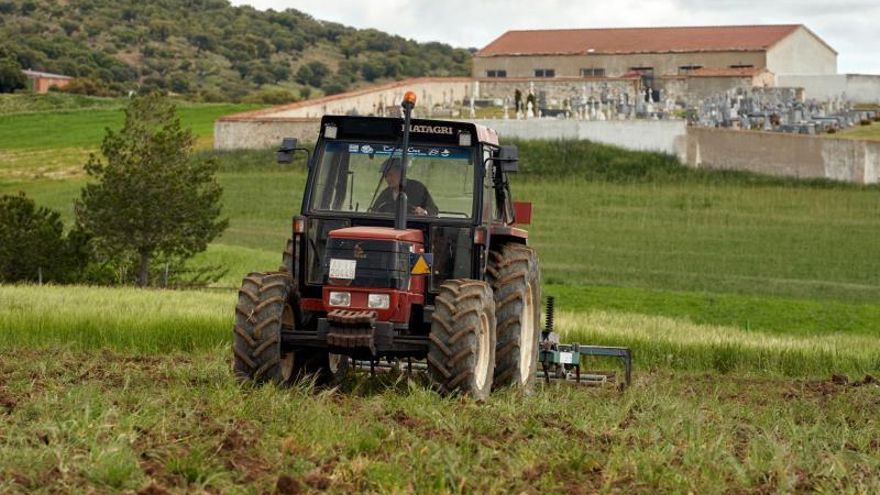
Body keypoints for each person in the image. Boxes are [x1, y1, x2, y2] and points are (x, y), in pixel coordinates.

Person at [370, 157, 438, 216]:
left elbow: (433, 211)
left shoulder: (418, 189)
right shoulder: (385, 194)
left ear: (401, 173)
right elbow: (374, 212)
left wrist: (424, 212)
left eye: (390, 175)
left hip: (414, 226)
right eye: (385, 176)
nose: (387, 179)